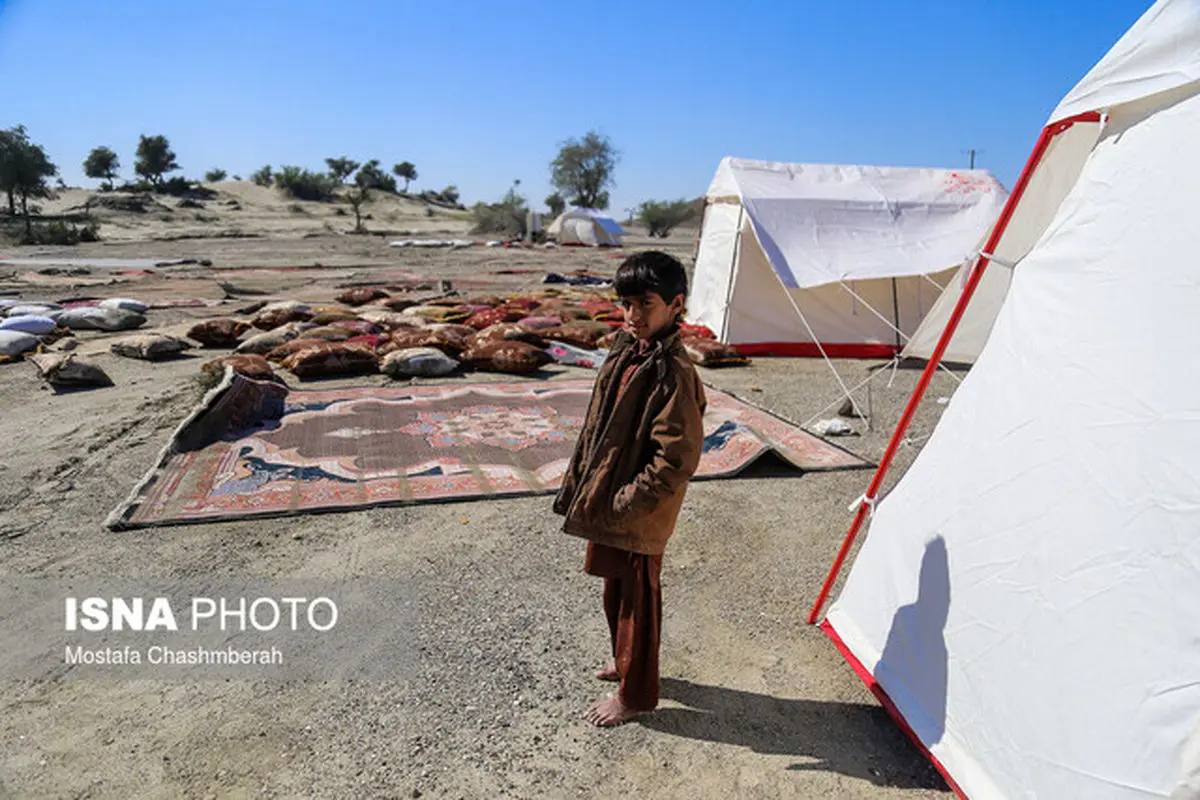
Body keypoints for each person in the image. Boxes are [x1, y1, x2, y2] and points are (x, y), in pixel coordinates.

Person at [552, 250, 707, 727]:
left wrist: (623, 503)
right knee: (616, 590)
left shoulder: (673, 372)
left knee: (639, 602)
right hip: (612, 498)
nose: (633, 315)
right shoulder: (628, 351)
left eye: (646, 304)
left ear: (676, 305)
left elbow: (675, 460)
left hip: (637, 510)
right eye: (626, 304)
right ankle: (625, 663)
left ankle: (635, 695)